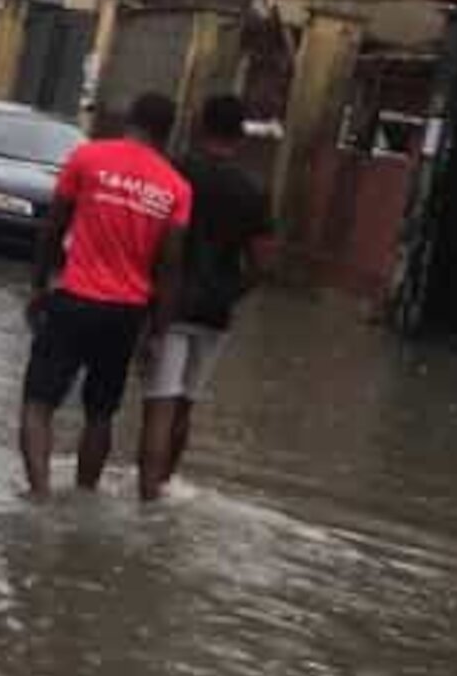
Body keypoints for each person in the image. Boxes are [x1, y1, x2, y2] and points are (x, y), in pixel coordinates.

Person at [21, 94, 193, 501]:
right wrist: (156, 334)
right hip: (126, 314)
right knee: (100, 414)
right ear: (169, 132)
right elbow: (170, 269)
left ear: (128, 119)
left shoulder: (87, 158)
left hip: (74, 299)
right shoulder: (176, 187)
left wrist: (38, 285)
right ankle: (83, 498)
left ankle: (41, 496)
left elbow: (53, 226)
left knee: (38, 404)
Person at [138, 95, 273, 502]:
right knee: (184, 404)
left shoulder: (173, 170)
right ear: (241, 135)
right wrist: (229, 294)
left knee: (159, 403)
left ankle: (146, 497)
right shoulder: (254, 189)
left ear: (199, 125)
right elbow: (263, 263)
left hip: (168, 306)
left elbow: (151, 239)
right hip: (215, 313)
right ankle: (163, 487)